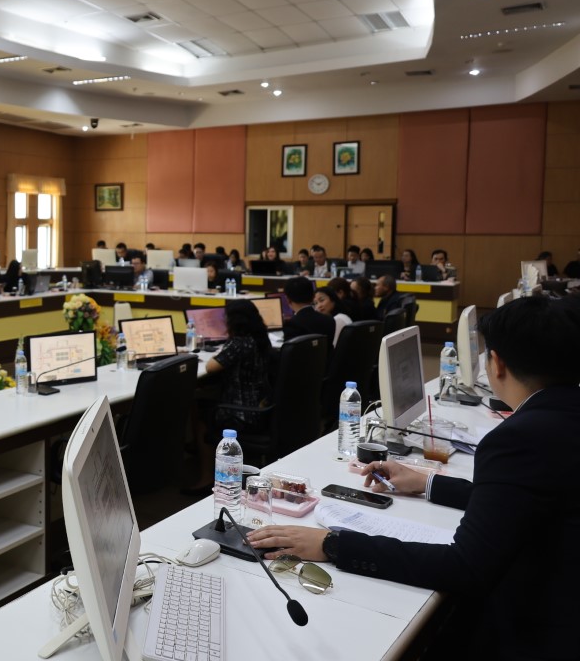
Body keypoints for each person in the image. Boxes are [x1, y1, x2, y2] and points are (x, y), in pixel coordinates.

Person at [247, 295, 580, 659]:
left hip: (541, 631)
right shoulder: (562, 417)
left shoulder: (520, 438)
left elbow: (465, 566)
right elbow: (525, 499)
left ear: (496, 363)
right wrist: (428, 483)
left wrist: (333, 544)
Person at [204, 300, 272, 430]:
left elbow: (210, 368)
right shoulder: (261, 338)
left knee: (198, 407)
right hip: (260, 405)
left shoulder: (238, 343)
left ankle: (208, 442)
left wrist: (219, 353)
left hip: (241, 413)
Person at [282, 276, 335, 344]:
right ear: (313, 296)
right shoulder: (329, 320)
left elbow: (288, 350)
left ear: (288, 300)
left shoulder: (292, 324)